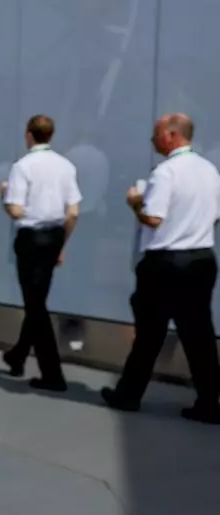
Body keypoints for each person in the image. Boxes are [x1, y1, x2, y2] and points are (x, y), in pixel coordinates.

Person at [103, 113, 220, 424]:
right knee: (200, 334)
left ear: (171, 135)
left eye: (156, 134)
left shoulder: (166, 172)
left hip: (166, 262)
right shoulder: (210, 170)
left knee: (150, 333)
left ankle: (128, 394)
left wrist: (134, 202)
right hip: (201, 258)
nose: (153, 140)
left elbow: (153, 217)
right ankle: (210, 400)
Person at [0, 114, 81, 391]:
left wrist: (4, 196)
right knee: (37, 299)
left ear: (29, 134)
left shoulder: (23, 166)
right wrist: (62, 245)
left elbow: (16, 209)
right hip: (55, 235)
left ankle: (52, 373)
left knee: (35, 306)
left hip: (31, 238)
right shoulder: (66, 166)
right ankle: (18, 355)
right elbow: (73, 212)